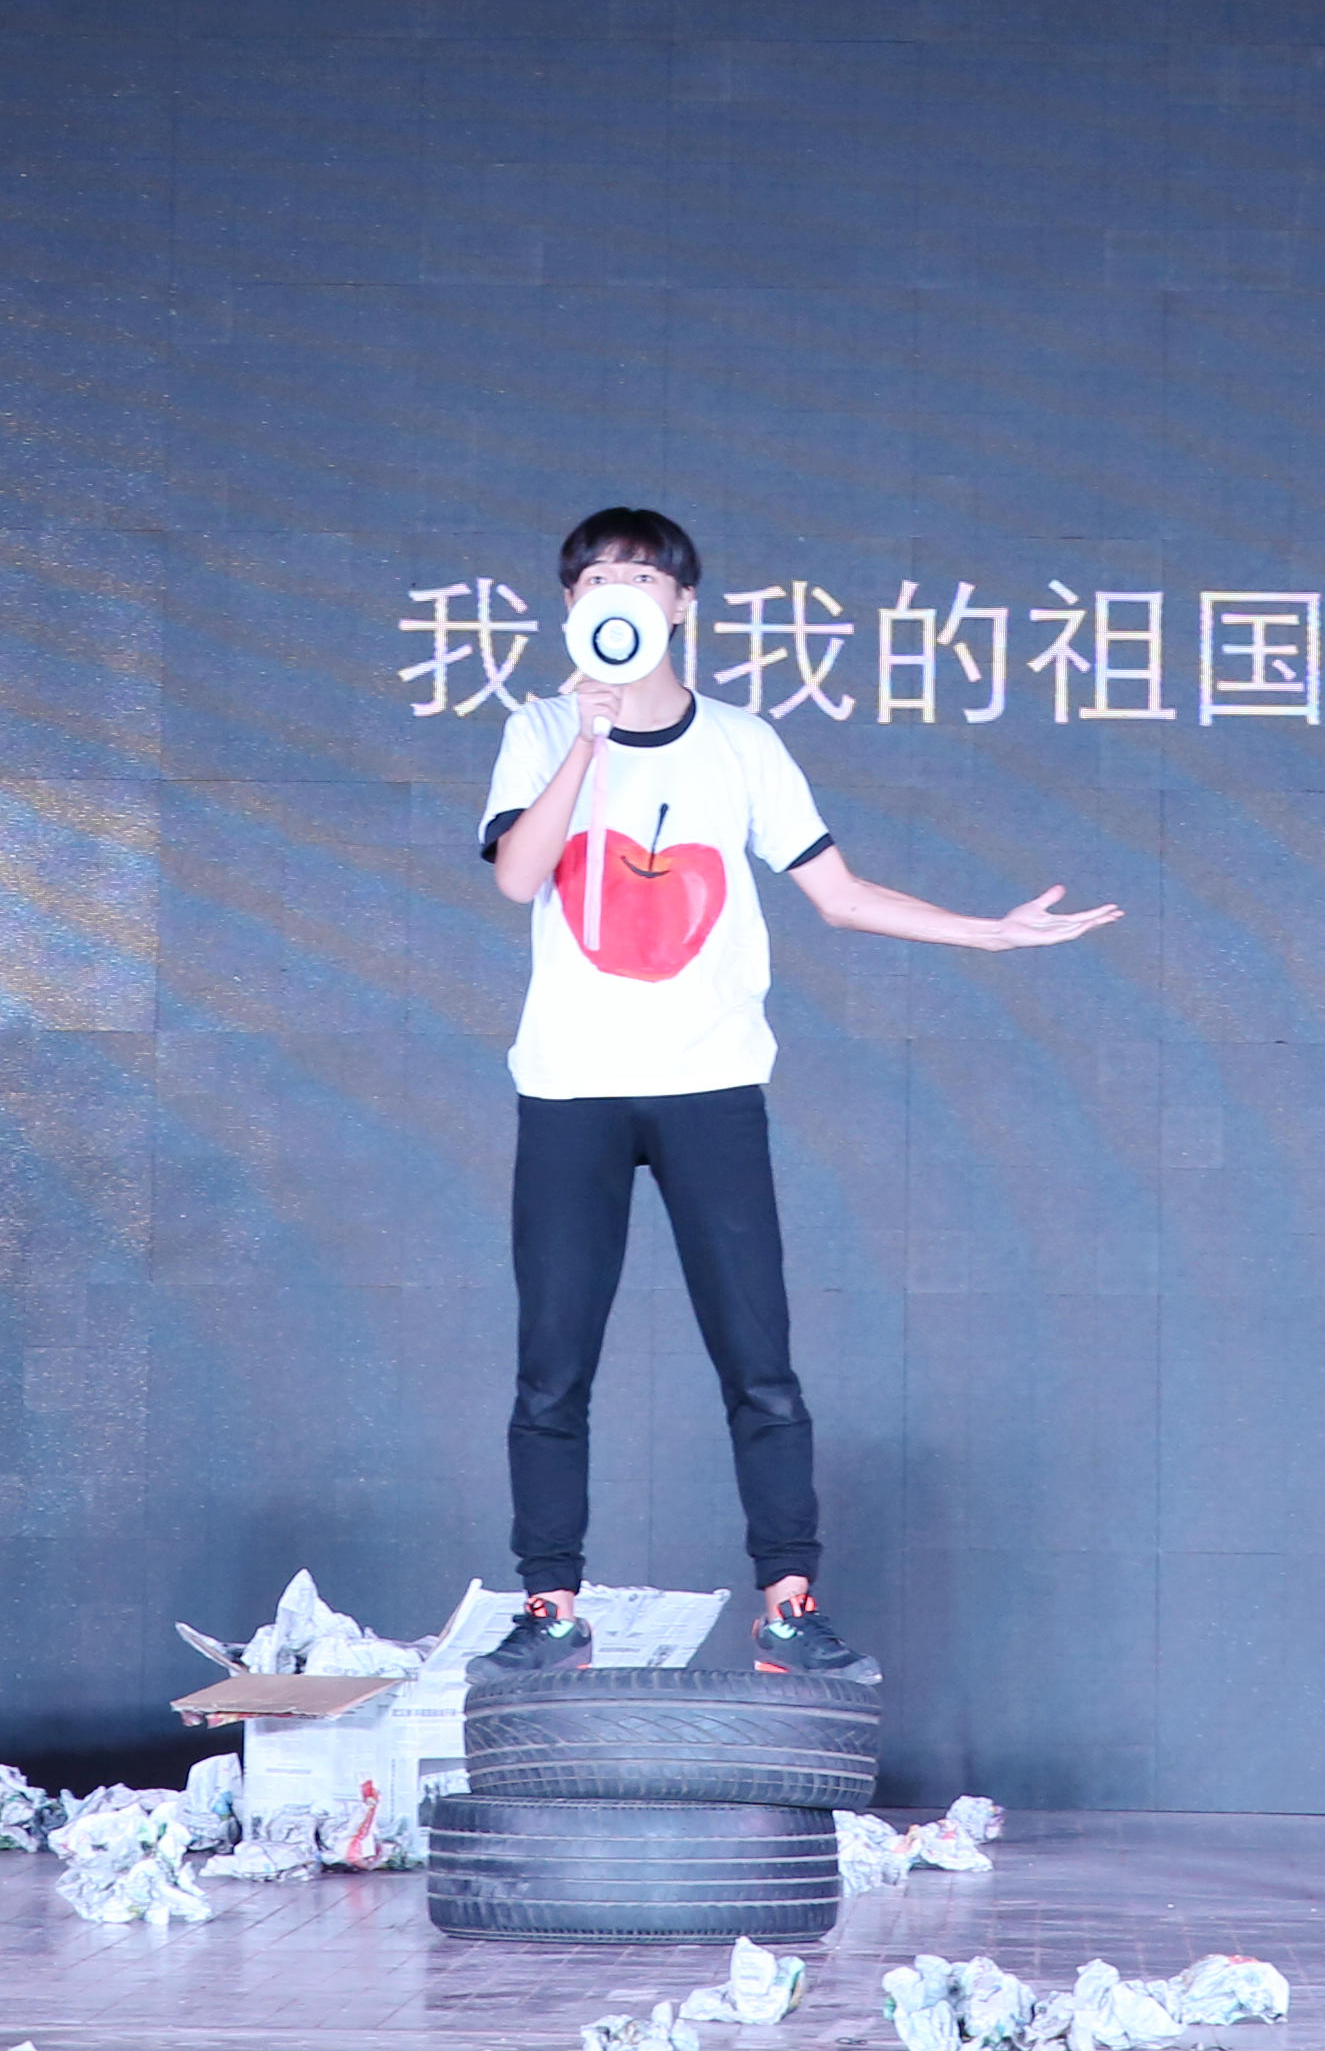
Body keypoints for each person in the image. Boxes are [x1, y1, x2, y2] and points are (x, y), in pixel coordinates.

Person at [469, 507, 1120, 1684]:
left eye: (642, 578)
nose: (619, 594)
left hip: (712, 1086)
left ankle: (788, 1605)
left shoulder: (742, 743)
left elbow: (840, 894)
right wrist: (588, 740)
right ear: (571, 607)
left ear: (682, 605)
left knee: (759, 1364)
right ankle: (550, 1608)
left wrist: (991, 932)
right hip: (571, 1089)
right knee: (552, 1367)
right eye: (596, 579)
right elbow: (520, 876)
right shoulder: (539, 730)